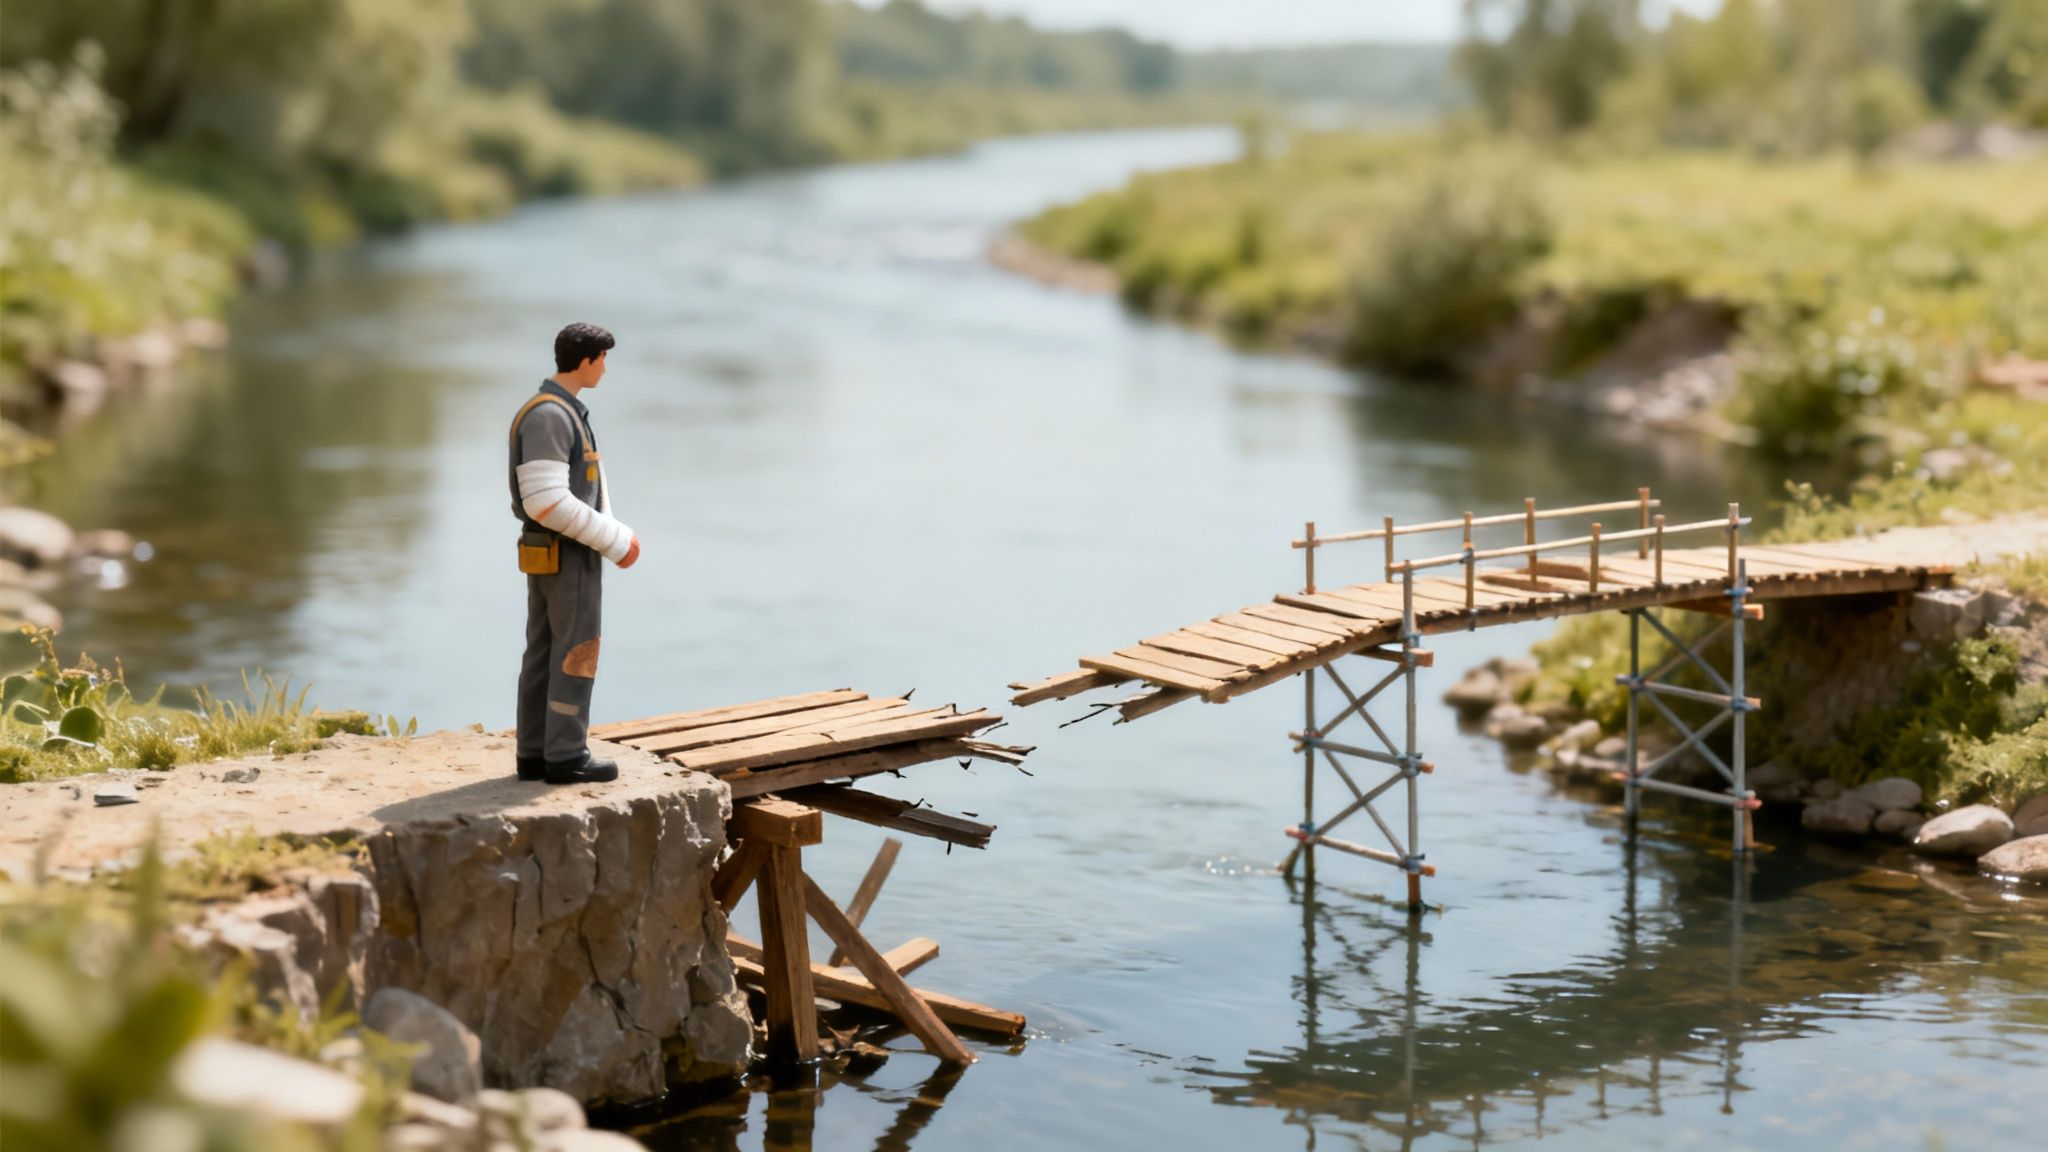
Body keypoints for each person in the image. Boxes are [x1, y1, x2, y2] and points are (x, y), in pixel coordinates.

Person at [509, 322, 640, 784]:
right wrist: (615, 541)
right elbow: (546, 501)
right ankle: (565, 755)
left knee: (544, 650)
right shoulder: (552, 416)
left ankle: (535, 752)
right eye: (602, 358)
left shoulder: (558, 410)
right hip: (570, 554)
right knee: (575, 649)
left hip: (552, 552)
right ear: (584, 360)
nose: (605, 368)